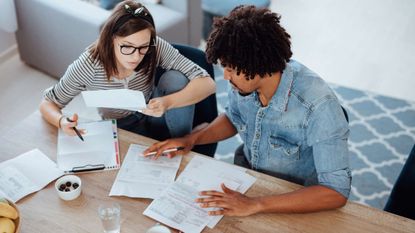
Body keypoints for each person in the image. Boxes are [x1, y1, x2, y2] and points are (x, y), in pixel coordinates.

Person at [144, 5, 351, 216]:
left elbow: (335, 192)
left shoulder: (319, 106)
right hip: (247, 178)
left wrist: (256, 204)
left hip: (295, 197)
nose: (225, 77)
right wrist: (192, 139)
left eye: (231, 70)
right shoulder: (244, 84)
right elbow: (233, 119)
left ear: (257, 65)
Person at [39, 0, 216, 141]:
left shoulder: (155, 46)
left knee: (175, 79)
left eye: (143, 47)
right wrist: (62, 121)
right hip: (120, 125)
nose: (135, 57)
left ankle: (184, 142)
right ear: (110, 40)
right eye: (127, 47)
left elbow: (208, 83)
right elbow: (48, 103)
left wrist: (167, 102)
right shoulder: (88, 65)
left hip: (154, 112)